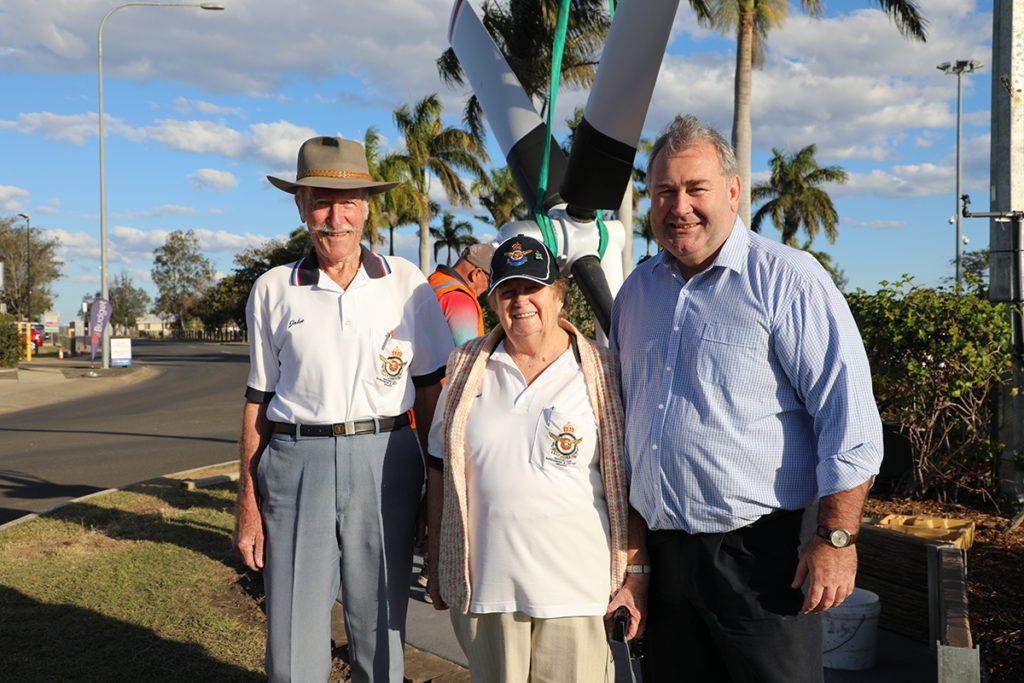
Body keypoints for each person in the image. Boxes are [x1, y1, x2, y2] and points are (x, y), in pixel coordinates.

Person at [609, 115, 883, 682]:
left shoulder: (789, 281)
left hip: (764, 561)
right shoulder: (636, 293)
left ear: (733, 192)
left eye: (695, 188)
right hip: (666, 560)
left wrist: (837, 539)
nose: (678, 205)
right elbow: (628, 434)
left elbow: (848, 417)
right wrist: (636, 564)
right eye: (664, 191)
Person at [232, 135, 455, 683]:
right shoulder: (272, 289)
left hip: (387, 461)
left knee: (380, 634)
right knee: (290, 642)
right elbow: (257, 401)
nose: (336, 217)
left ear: (367, 207)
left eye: (349, 201)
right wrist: (247, 500)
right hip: (294, 461)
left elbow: (431, 393)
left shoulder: (406, 284)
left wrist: (436, 491)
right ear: (301, 206)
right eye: (322, 202)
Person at [425, 235, 649, 683]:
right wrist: (436, 561)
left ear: (559, 295)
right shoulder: (467, 366)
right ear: (492, 301)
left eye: (533, 288)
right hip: (487, 593)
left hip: (577, 596)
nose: (521, 301)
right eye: (508, 291)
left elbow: (631, 482)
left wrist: (636, 572)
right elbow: (440, 468)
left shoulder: (603, 370)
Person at [428, 242, 496, 346]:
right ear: (476, 273)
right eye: (489, 281)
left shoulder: (434, 282)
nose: (488, 289)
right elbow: (466, 356)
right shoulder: (460, 300)